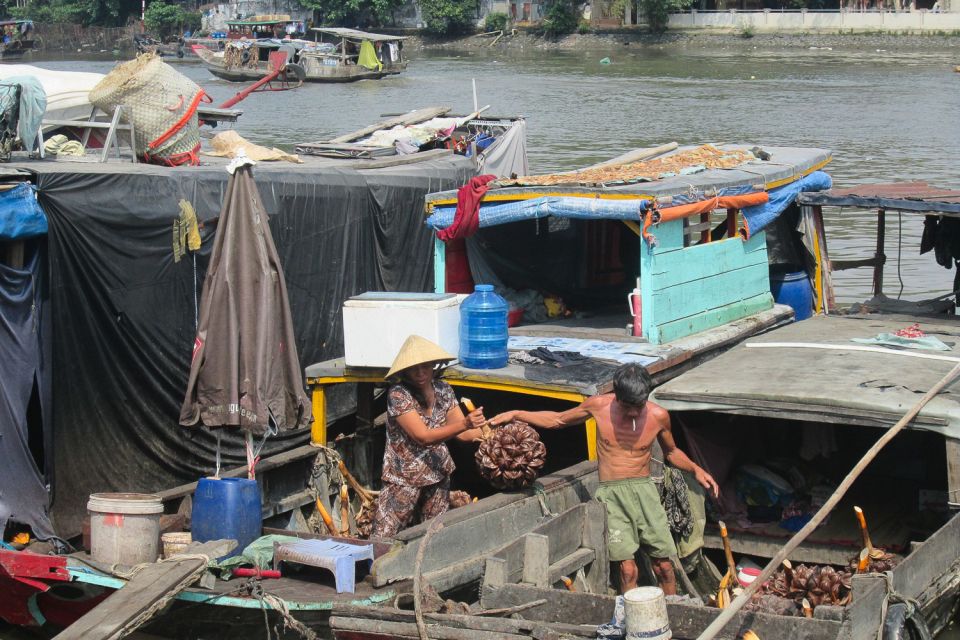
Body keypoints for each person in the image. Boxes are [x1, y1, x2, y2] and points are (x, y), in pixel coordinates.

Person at [491, 363, 719, 595]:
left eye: (638, 407)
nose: (632, 413)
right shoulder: (599, 406)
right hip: (611, 493)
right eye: (627, 406)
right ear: (617, 396)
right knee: (628, 570)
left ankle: (672, 614)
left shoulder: (659, 416)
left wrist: (696, 469)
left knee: (665, 567)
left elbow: (671, 452)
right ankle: (632, 621)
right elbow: (558, 420)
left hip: (645, 492)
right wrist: (516, 413)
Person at [370, 335, 487, 539]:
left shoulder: (443, 390)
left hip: (438, 472)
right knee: (383, 536)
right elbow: (422, 436)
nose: (420, 372)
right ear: (405, 371)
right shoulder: (398, 394)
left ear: (434, 365)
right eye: (414, 368)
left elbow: (464, 434)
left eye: (425, 366)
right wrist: (465, 423)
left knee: (432, 535)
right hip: (404, 477)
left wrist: (488, 431)